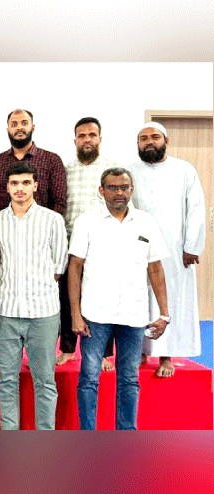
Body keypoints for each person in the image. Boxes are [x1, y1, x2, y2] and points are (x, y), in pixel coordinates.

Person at [69, 167, 170, 429]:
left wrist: (164, 314)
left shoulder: (147, 222)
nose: (119, 193)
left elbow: (156, 269)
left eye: (124, 187)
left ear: (131, 190)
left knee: (129, 380)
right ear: (101, 191)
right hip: (95, 313)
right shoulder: (86, 222)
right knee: (89, 378)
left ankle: (126, 435)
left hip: (133, 313)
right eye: (112, 188)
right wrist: (75, 314)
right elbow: (75, 268)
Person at [0, 162, 67, 430]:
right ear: (7, 187)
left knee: (45, 380)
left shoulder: (52, 220)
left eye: (26, 183)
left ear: (36, 185)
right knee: (7, 380)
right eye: (14, 183)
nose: (20, 188)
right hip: (6, 311)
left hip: (43, 312)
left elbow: (59, 266)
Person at [128, 122, 206, 378]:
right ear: (138, 144)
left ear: (166, 141)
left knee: (170, 298)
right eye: (144, 138)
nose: (149, 142)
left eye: (155, 137)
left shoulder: (184, 170)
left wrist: (192, 246)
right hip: (138, 246)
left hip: (174, 248)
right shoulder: (130, 170)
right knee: (138, 298)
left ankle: (166, 356)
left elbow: (196, 208)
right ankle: (139, 352)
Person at [58, 117, 119, 369]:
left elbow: (121, 207)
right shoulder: (66, 170)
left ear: (100, 139)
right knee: (67, 298)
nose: (87, 140)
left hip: (101, 244)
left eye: (92, 135)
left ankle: (103, 353)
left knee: (100, 298)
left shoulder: (112, 170)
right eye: (82, 135)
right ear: (75, 140)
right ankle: (68, 349)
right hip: (70, 243)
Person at [0, 109, 67, 215]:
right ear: (8, 130)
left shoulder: (52, 160)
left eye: (24, 123)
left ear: (33, 127)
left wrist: (45, 223)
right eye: (14, 124)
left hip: (41, 224)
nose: (19, 127)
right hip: (2, 224)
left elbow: (59, 202)